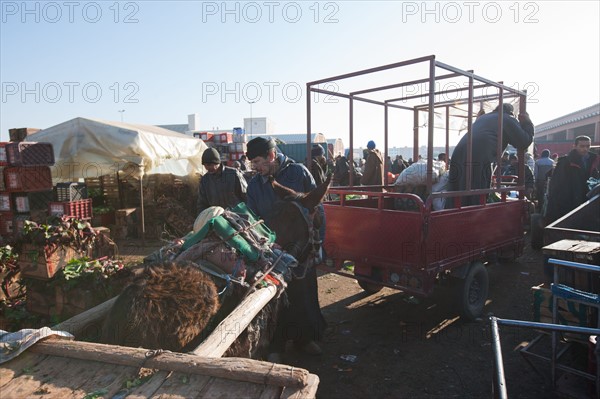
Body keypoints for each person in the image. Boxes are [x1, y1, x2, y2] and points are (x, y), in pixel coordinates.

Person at [244, 137, 327, 357]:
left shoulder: (298, 173)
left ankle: (304, 339)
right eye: (253, 164)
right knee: (276, 299)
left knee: (304, 296)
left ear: (272, 156)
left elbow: (318, 208)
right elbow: (252, 217)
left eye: (260, 162)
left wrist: (319, 243)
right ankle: (276, 346)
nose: (257, 168)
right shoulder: (254, 185)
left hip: (302, 248)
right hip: (273, 252)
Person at [447, 103, 534, 206]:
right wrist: (527, 123)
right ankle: (474, 217)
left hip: (458, 153)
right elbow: (523, 142)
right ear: (511, 113)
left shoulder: (483, 118)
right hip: (479, 155)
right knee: (478, 193)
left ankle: (453, 214)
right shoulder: (507, 118)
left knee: (458, 189)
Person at [545, 135, 600, 223]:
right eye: (582, 146)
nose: (585, 149)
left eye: (588, 146)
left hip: (587, 199)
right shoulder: (564, 162)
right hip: (569, 201)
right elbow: (556, 185)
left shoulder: (593, 161)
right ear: (574, 146)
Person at [197, 147, 247, 213]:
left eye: (209, 165)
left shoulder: (233, 175)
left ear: (217, 162)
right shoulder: (205, 181)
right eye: (205, 165)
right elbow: (202, 204)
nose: (207, 168)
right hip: (218, 219)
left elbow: (246, 196)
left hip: (237, 216)